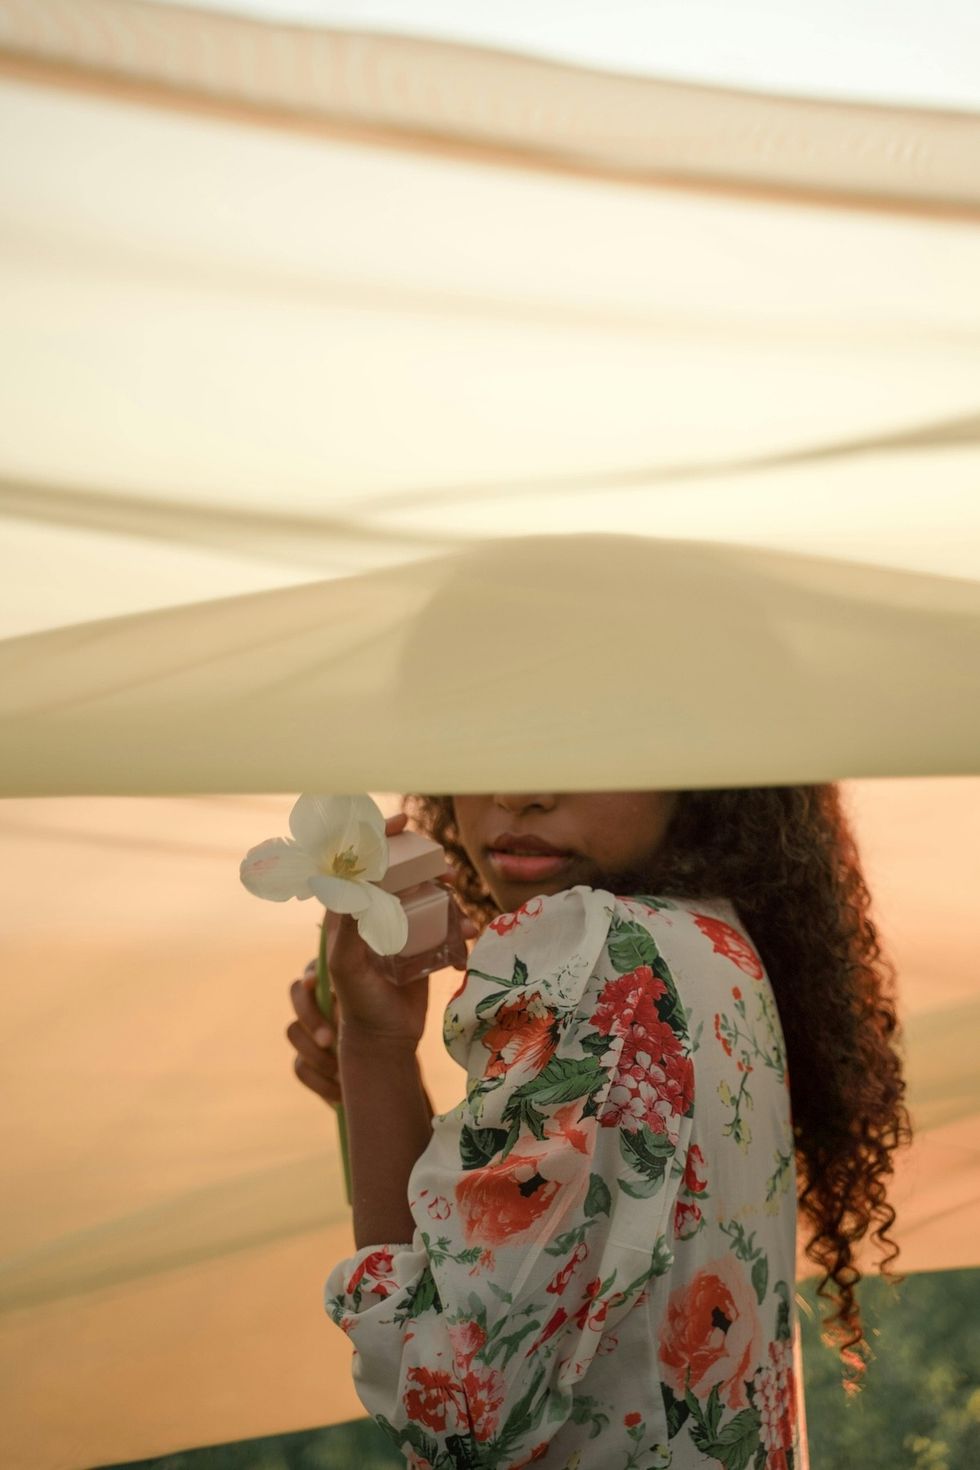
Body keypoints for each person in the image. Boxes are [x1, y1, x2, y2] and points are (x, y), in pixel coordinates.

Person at [286, 788, 912, 1469]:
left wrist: (373, 1050)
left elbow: (455, 1414)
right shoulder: (716, 942)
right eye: (486, 735)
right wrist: (378, 1057)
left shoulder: (601, 948)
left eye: (585, 745)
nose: (518, 792)